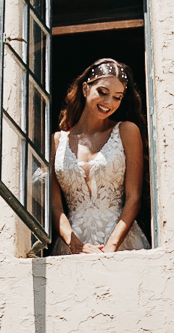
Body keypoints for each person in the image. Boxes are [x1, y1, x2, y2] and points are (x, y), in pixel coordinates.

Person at [50, 58, 150, 254]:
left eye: (117, 97)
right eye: (102, 92)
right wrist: (75, 245)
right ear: (86, 88)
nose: (108, 103)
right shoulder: (57, 141)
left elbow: (134, 197)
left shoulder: (127, 132)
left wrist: (111, 246)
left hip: (120, 241)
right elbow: (54, 205)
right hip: (72, 245)